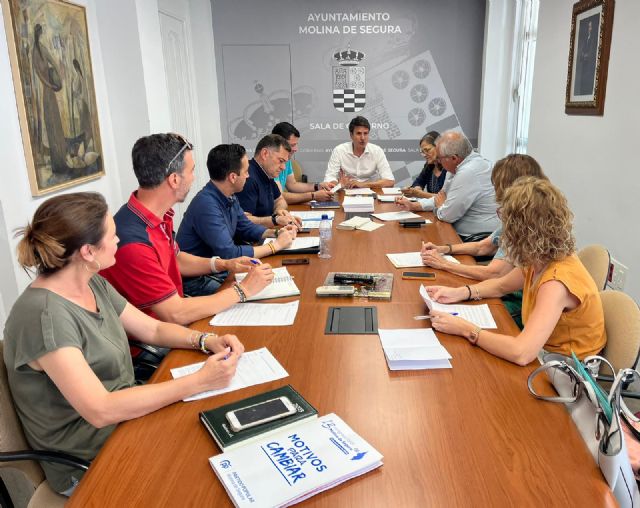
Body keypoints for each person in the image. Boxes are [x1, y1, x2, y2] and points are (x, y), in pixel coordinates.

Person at [2, 192, 245, 495]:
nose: (119, 241)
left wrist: (205, 340)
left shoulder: (91, 280)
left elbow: (153, 330)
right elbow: (100, 410)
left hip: (127, 421)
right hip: (91, 460)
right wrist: (199, 381)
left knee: (222, 431)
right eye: (113, 235)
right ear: (88, 251)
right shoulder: (44, 317)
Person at [425, 177, 607, 365]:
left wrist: (465, 329)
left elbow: (521, 353)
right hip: (546, 351)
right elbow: (501, 285)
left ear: (521, 228)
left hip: (570, 368)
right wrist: (459, 292)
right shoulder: (541, 256)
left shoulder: (556, 282)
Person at [101, 133, 273, 317]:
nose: (193, 178)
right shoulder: (134, 241)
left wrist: (225, 264)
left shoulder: (151, 215)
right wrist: (243, 290)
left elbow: (175, 259)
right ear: (174, 179)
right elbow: (175, 314)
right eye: (191, 171)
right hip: (159, 340)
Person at [420, 154, 547, 281]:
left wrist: (443, 263)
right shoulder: (530, 212)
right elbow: (482, 247)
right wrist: (443, 249)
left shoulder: (521, 221)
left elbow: (495, 274)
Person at [177, 143, 297, 274]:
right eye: (245, 172)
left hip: (220, 271)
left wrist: (276, 233)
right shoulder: (206, 205)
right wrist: (276, 245)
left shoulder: (229, 195)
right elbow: (230, 253)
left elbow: (246, 227)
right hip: (200, 280)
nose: (248, 176)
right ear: (233, 177)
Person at [236, 134, 302, 228]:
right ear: (265, 154)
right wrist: (275, 220)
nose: (283, 167)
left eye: (285, 162)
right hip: (252, 241)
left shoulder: (267, 173)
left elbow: (280, 200)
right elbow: (243, 220)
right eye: (280, 161)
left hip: (266, 233)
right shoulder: (247, 179)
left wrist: (279, 211)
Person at [323, 116, 394, 188]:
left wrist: (363, 185)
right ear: (351, 135)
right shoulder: (339, 150)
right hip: (346, 191)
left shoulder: (377, 151)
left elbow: (390, 181)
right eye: (359, 133)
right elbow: (329, 178)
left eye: (365, 133)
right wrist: (338, 184)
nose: (363, 138)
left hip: (372, 192)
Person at [271, 122, 333, 204]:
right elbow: (279, 197)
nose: (296, 149)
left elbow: (292, 185)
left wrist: (318, 186)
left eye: (296, 144)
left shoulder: (287, 159)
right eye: (292, 145)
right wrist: (313, 196)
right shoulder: (269, 163)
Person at [402, 131, 446, 199]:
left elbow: (445, 198)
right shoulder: (429, 166)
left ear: (438, 146)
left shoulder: (449, 167)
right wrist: (416, 189)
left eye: (427, 150)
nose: (424, 155)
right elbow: (418, 182)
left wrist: (419, 194)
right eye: (422, 152)